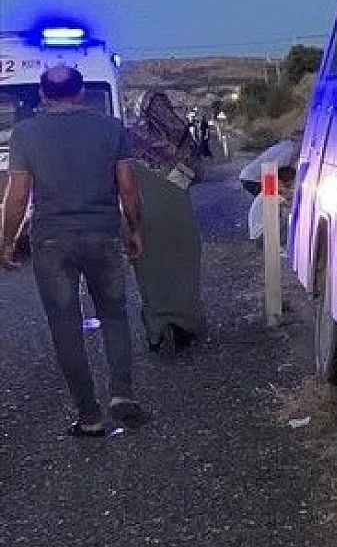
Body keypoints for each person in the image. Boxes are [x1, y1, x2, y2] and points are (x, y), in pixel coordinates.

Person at [0, 64, 149, 437]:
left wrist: (7, 241)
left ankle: (89, 416)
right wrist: (134, 228)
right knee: (114, 315)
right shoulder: (111, 129)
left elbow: (17, 196)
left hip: (51, 240)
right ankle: (121, 393)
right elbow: (128, 188)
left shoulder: (25, 134)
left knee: (65, 326)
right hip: (103, 234)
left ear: (43, 95)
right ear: (81, 92)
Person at [128, 90, 209, 359]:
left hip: (144, 213)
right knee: (183, 269)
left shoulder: (131, 138)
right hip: (179, 213)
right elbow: (199, 174)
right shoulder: (181, 136)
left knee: (151, 272)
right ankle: (185, 327)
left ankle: (157, 330)